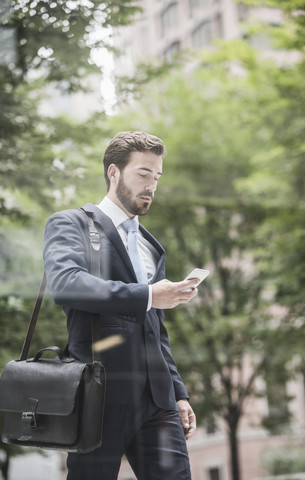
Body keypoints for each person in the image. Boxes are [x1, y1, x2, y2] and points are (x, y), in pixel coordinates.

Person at [43, 131, 198, 480]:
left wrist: (178, 393)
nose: (152, 185)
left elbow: (155, 329)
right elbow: (66, 284)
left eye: (157, 176)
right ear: (114, 173)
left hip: (158, 402)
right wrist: (147, 295)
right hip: (98, 395)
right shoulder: (71, 224)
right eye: (143, 173)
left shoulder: (150, 245)